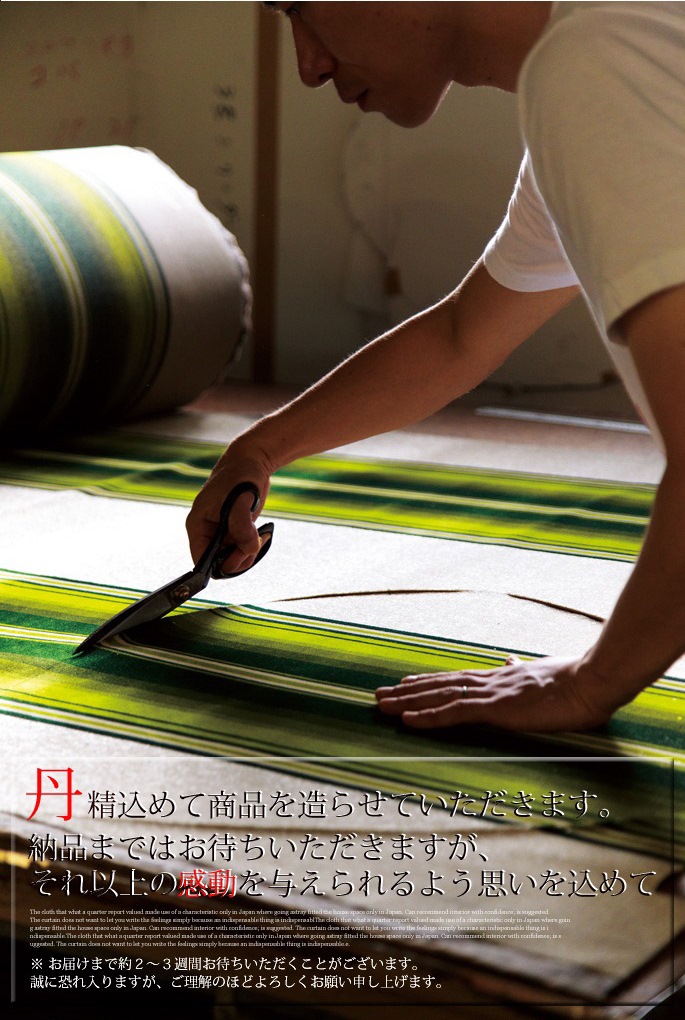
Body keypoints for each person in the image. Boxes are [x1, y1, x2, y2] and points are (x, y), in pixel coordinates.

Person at [186, 2, 685, 733]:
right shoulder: (604, 58)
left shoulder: (594, 63)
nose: (308, 65)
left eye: (301, 7)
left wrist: (589, 684)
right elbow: (461, 336)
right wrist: (257, 450)